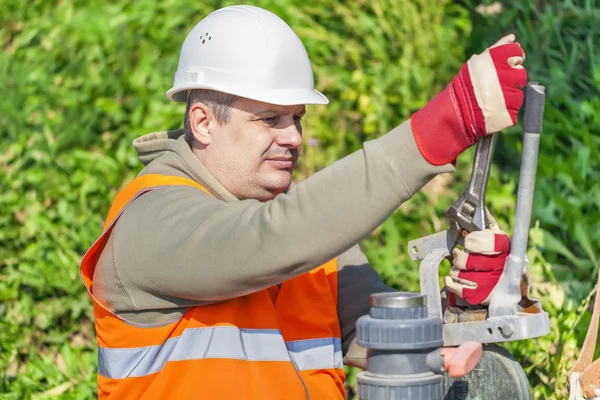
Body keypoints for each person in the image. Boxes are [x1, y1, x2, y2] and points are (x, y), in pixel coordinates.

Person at [80, 5, 525, 399]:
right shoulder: (150, 221)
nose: (293, 137)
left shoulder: (307, 235)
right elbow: (272, 238)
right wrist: (441, 128)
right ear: (203, 123)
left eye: (296, 118)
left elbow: (382, 340)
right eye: (270, 119)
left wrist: (460, 312)